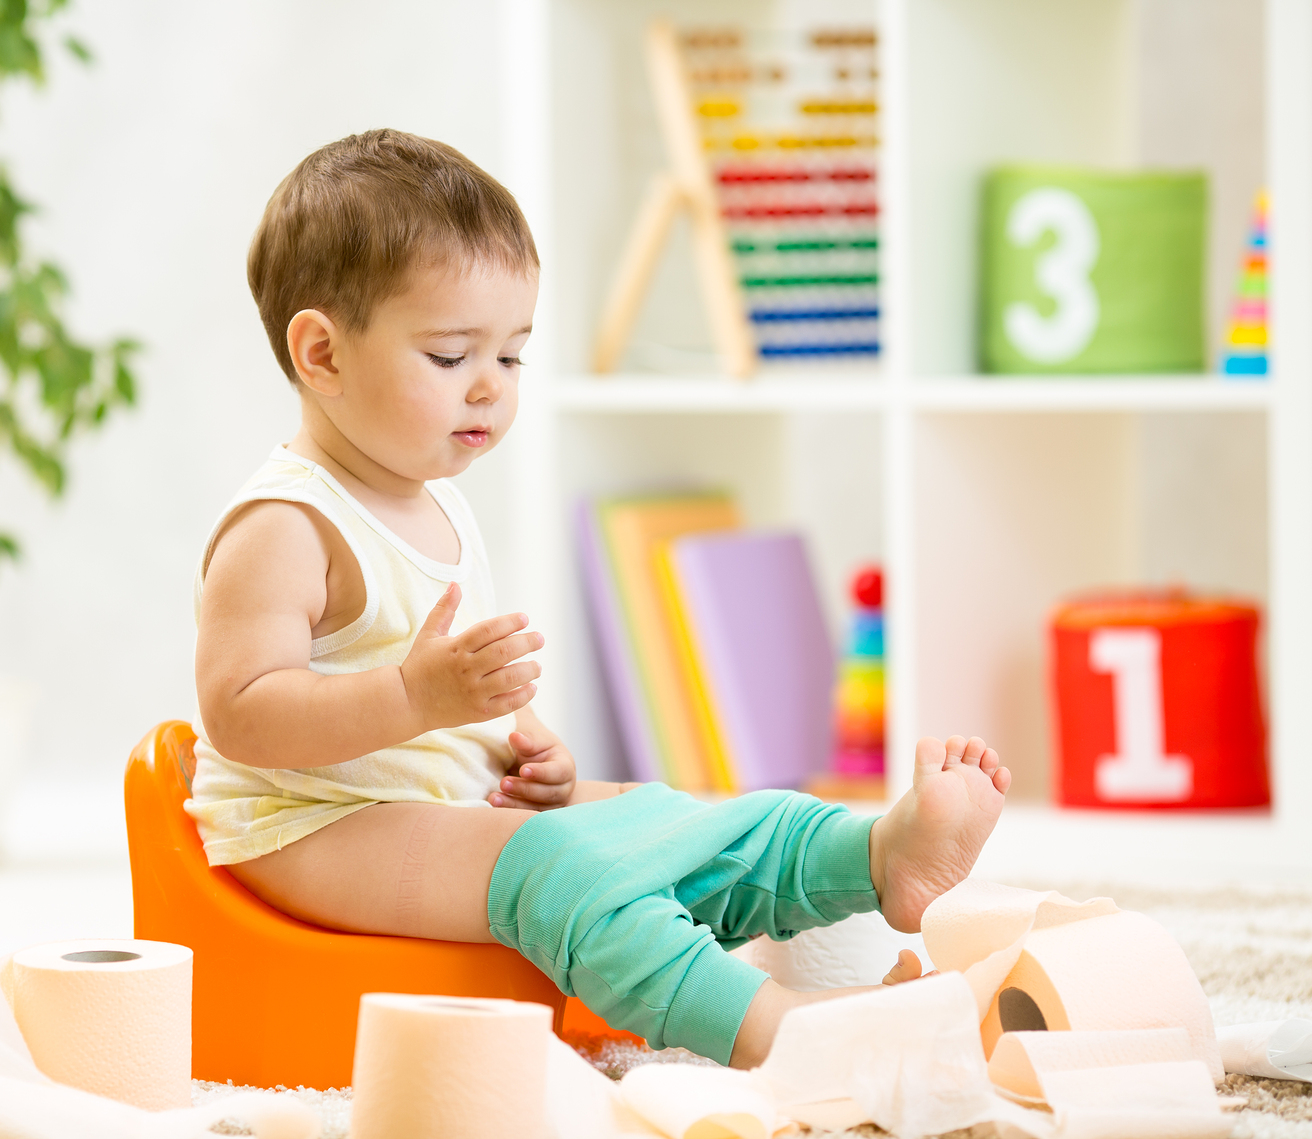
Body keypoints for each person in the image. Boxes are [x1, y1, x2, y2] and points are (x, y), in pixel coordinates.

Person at [188, 129, 1011, 1069]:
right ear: (321, 351)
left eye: (514, 356)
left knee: (672, 819)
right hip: (312, 828)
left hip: (435, 800)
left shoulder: (430, 497)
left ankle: (878, 853)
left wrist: (524, 738)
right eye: (453, 355)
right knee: (568, 872)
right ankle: (788, 1032)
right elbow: (242, 715)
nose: (491, 388)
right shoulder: (284, 525)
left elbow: (457, 684)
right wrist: (420, 699)